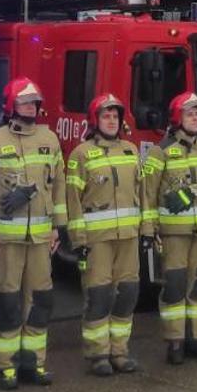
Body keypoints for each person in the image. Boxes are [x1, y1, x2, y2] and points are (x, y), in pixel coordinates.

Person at [0, 77, 64, 390]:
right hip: (7, 240)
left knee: (40, 301)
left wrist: (57, 226)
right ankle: (6, 367)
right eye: (24, 102)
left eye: (33, 102)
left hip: (40, 239)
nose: (30, 107)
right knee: (9, 304)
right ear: (10, 106)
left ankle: (34, 363)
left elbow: (59, 186)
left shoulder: (50, 139)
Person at [63, 93, 147, 377]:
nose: (111, 121)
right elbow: (72, 200)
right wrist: (78, 241)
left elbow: (143, 193)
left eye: (115, 116)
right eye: (106, 116)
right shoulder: (81, 154)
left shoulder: (130, 150)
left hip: (128, 238)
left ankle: (119, 352)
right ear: (95, 121)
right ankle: (98, 354)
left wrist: (146, 231)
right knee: (99, 296)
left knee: (127, 294)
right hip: (96, 241)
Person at [143, 92, 197, 364]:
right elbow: (148, 194)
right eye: (190, 113)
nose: (195, 118)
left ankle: (196, 339)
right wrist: (149, 229)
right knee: (175, 287)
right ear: (177, 118)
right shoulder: (160, 151)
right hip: (174, 234)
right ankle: (175, 342)